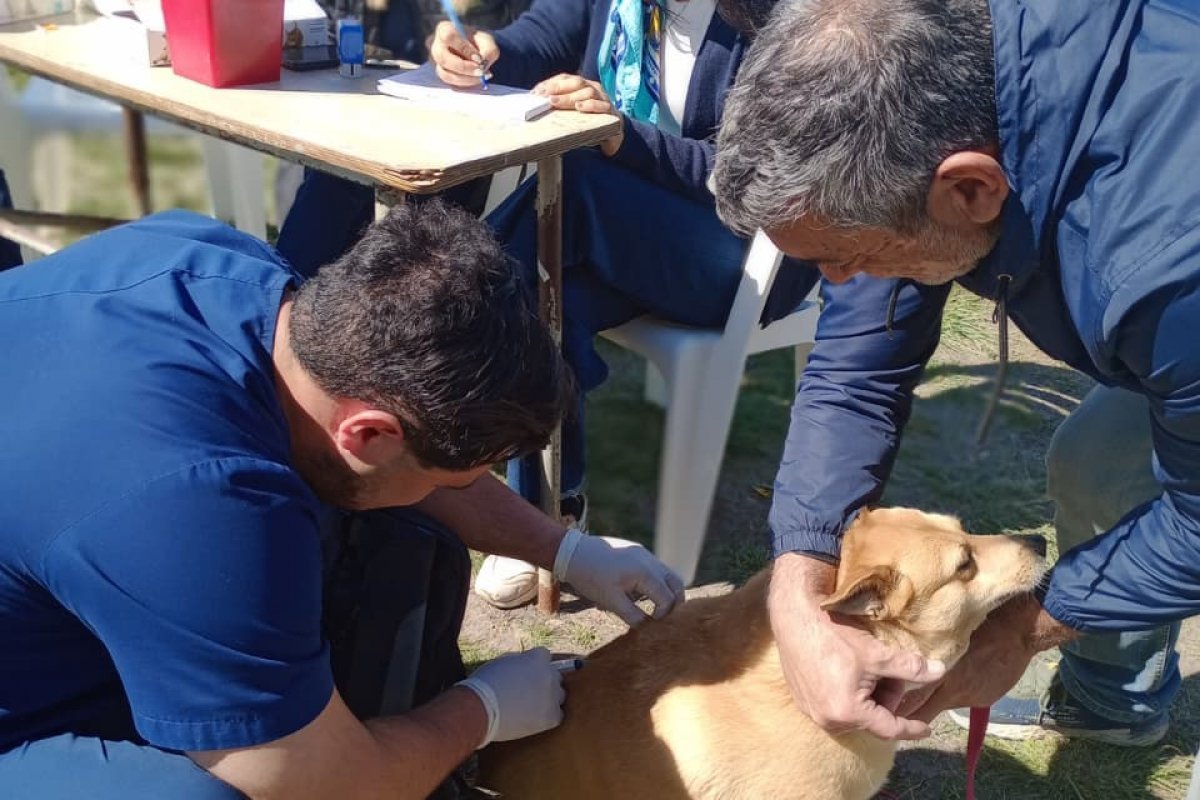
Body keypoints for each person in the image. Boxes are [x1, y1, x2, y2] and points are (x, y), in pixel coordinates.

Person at [0, 201, 684, 799]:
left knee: (402, 541)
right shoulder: (198, 505)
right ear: (368, 432)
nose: (458, 491)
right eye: (449, 479)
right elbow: (329, 788)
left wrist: (565, 550)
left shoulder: (232, 271)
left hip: (51, 580)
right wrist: (479, 711)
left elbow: (397, 459)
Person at [711, 0, 1200, 752]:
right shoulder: (918, 121)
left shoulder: (1167, 261)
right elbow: (858, 368)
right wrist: (797, 585)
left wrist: (1025, 629)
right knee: (1099, 464)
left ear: (972, 189)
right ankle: (1112, 699)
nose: (836, 281)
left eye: (848, 255)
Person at [426, 0, 816, 608]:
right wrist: (482, 51)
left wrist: (622, 137)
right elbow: (541, 37)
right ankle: (550, 507)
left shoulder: (780, 17)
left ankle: (433, 335)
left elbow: (753, 173)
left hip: (746, 247)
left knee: (571, 188)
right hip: (626, 225)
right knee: (548, 294)